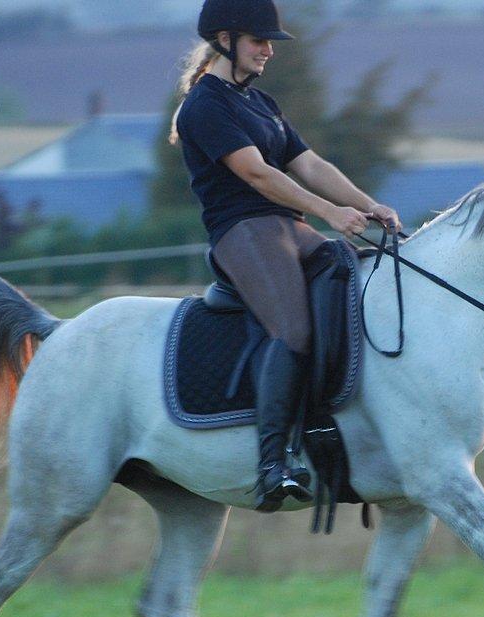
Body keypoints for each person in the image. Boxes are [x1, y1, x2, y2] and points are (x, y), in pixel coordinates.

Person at [171, 0, 402, 512]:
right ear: (226, 39)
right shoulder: (205, 106)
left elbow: (310, 163)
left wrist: (368, 205)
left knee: (348, 279)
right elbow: (256, 174)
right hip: (244, 230)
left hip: (287, 227)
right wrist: (328, 213)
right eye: (259, 40)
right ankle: (273, 462)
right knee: (293, 329)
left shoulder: (261, 103)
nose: (269, 50)